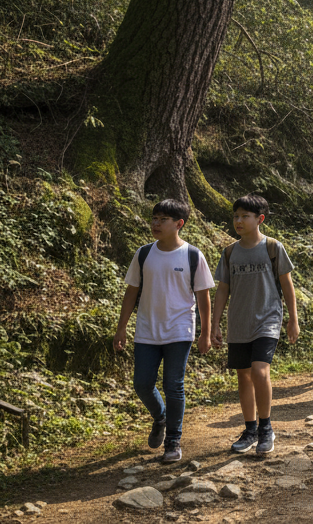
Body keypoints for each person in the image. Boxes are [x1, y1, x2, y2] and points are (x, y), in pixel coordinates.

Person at [113, 199, 213, 464]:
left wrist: (205, 332)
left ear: (179, 224)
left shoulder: (193, 255)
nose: (156, 224)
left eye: (163, 220)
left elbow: (203, 297)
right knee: (142, 383)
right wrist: (121, 327)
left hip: (180, 329)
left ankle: (173, 440)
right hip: (147, 329)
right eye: (154, 218)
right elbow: (131, 291)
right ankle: (160, 417)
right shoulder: (144, 254)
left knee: (174, 385)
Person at [211, 194, 298, 456]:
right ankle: (249, 430)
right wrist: (214, 325)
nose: (238, 220)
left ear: (259, 219)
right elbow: (222, 290)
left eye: (244, 216)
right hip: (238, 322)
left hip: (267, 319)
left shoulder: (273, 247)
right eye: (235, 216)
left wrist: (292, 319)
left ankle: (266, 428)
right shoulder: (229, 252)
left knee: (260, 371)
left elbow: (287, 285)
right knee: (244, 376)